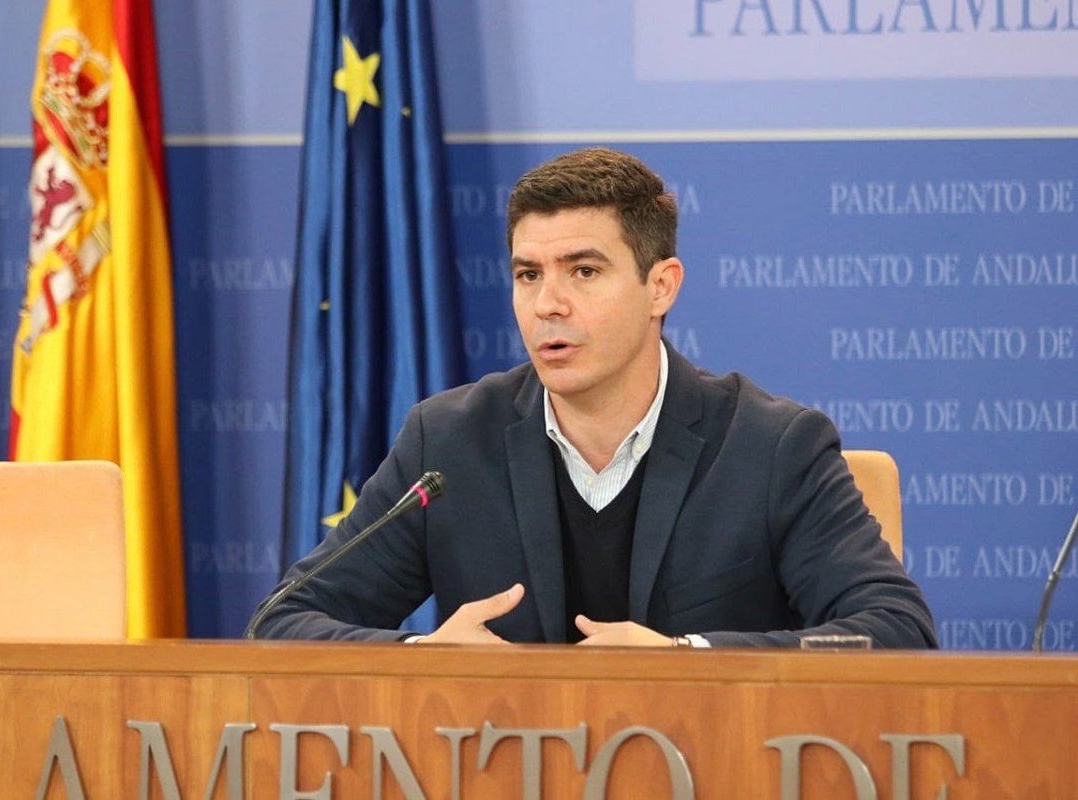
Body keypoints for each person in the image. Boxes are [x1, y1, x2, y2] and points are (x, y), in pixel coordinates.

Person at [250, 147, 937, 648]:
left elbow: (895, 630)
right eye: (528, 274)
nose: (548, 304)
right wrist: (423, 655)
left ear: (660, 287)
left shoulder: (770, 446)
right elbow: (284, 621)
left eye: (583, 271)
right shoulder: (450, 441)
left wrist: (687, 658)